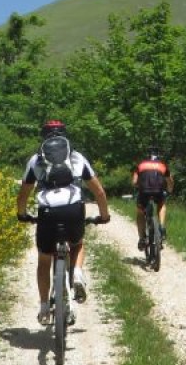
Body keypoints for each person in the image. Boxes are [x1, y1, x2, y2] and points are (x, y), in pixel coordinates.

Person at [16, 120, 110, 326]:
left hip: (47, 212)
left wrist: (22, 214)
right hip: (73, 209)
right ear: (65, 136)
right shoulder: (76, 157)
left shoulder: (36, 160)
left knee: (44, 259)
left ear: (44, 137)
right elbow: (99, 192)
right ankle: (77, 273)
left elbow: (23, 193)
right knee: (77, 243)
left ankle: (43, 308)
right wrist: (104, 216)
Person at [131, 149, 173, 251]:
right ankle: (162, 227)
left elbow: (134, 181)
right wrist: (169, 190)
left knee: (140, 213)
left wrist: (137, 187)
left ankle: (141, 238)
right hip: (158, 191)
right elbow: (170, 181)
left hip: (144, 192)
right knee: (162, 204)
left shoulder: (140, 165)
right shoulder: (163, 165)